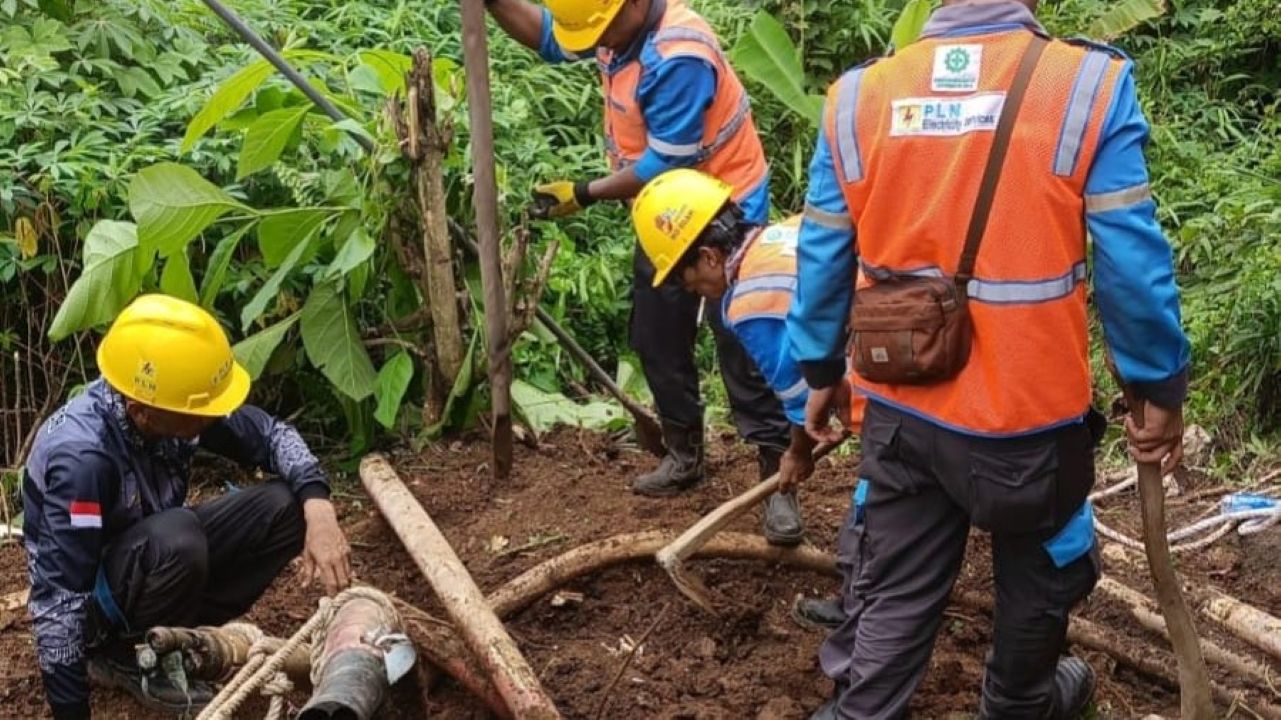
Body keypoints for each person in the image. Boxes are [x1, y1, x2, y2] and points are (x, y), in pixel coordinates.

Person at [786, 1, 1191, 717]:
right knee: (1042, 569)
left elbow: (821, 255)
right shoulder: (1083, 85)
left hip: (901, 408)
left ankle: (859, 711)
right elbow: (1130, 260)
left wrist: (819, 373)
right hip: (1028, 420)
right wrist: (1155, 383)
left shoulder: (856, 97)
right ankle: (1017, 702)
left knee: (894, 584)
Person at [483, 0, 793, 513]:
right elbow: (548, 35)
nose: (596, 44)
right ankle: (684, 453)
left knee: (740, 334)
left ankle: (775, 471)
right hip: (665, 212)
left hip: (724, 204)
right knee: (656, 332)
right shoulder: (611, 29)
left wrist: (583, 192)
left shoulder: (679, 55)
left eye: (602, 31)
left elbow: (664, 160)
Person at [23, 295, 352, 718]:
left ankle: (176, 638)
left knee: (285, 507)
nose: (211, 419)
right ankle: (124, 656)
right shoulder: (82, 459)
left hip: (149, 562)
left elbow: (270, 435)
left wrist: (319, 509)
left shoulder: (170, 405)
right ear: (142, 412)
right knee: (179, 538)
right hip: (96, 609)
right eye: (199, 413)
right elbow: (59, 601)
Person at [630, 169, 868, 550]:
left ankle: (860, 597)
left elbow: (799, 395)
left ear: (709, 257)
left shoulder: (751, 303)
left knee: (879, 515)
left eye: (685, 280)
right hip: (918, 349)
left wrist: (796, 454)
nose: (691, 290)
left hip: (888, 394)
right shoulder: (789, 230)